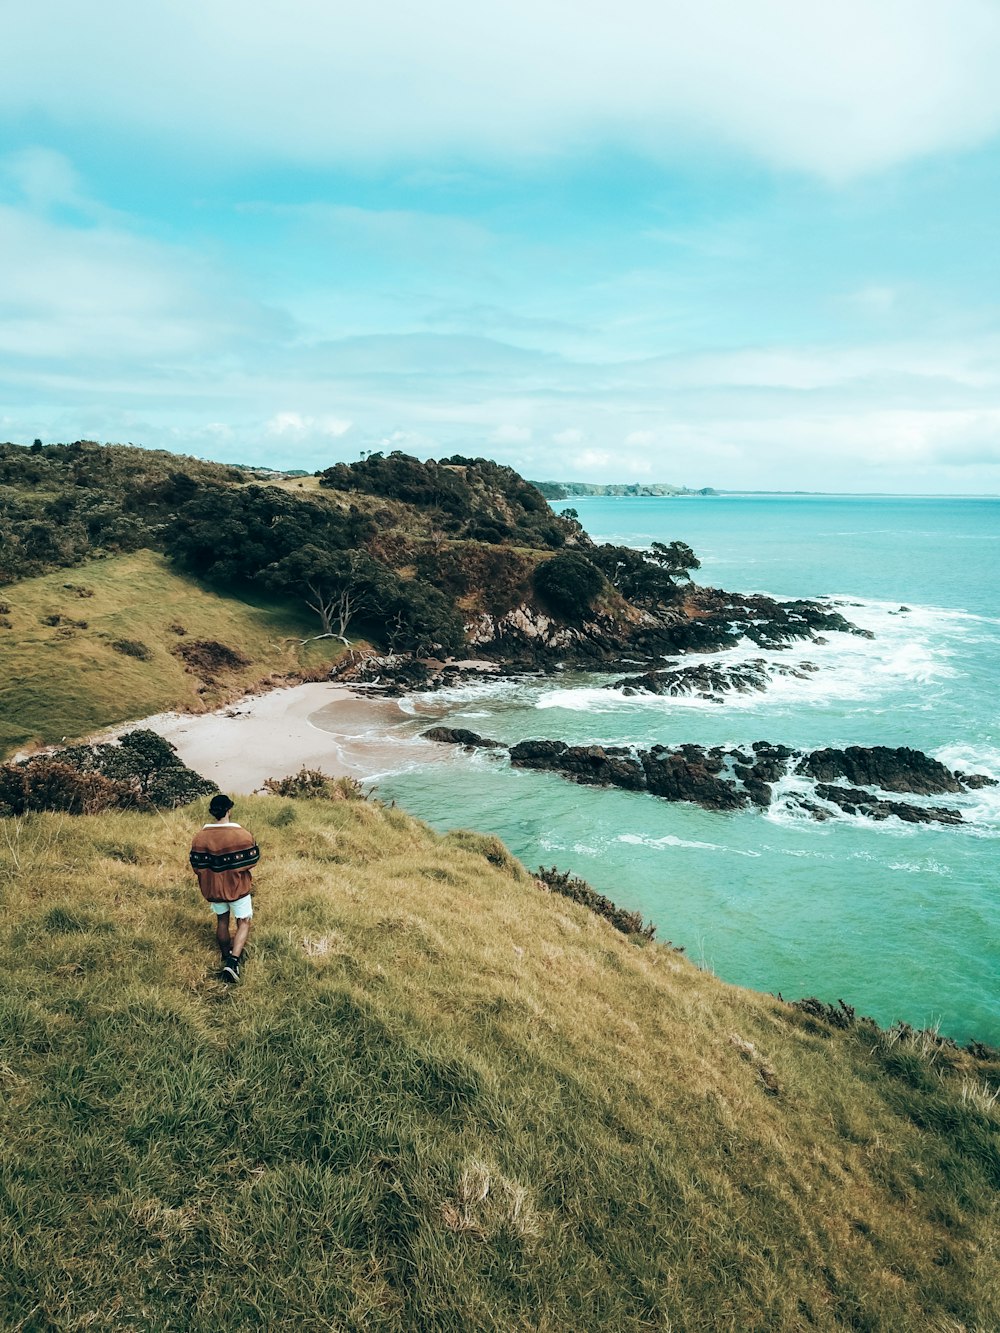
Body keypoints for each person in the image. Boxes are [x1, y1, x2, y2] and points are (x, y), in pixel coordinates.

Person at [189, 793, 260, 983]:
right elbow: (253, 859)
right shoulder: (242, 835)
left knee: (222, 920)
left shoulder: (200, 838)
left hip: (214, 889)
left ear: (213, 812)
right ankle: (233, 962)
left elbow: (196, 866)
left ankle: (224, 954)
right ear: (229, 810)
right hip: (238, 888)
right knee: (243, 921)